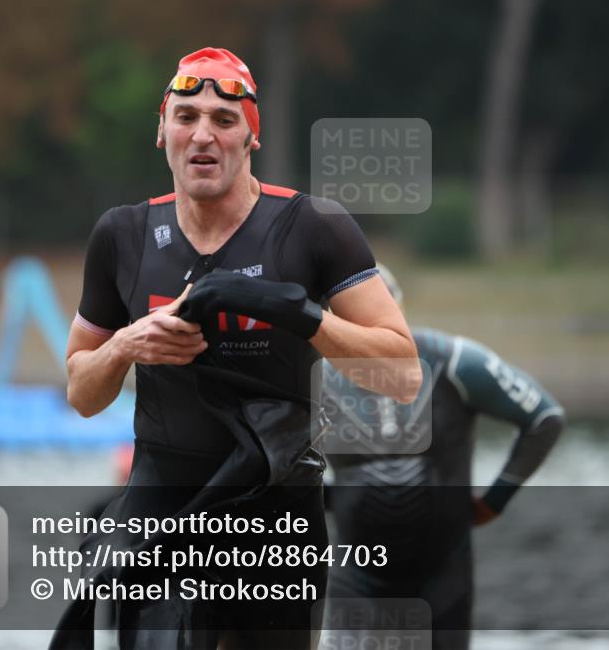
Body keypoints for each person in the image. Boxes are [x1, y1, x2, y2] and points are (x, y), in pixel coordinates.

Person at [51, 48, 420, 650]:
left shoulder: (313, 227)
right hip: (163, 505)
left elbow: (403, 376)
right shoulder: (123, 235)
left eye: (224, 120)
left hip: (276, 515)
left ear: (251, 138)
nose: (204, 135)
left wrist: (297, 313)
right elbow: (81, 393)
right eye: (187, 117)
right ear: (163, 133)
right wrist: (124, 344)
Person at [323, 264, 564, 650]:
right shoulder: (313, 375)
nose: (367, 331)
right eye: (352, 320)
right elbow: (269, 456)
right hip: (358, 574)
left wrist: (495, 500)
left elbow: (544, 418)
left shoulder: (454, 361)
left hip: (441, 574)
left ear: (397, 312)